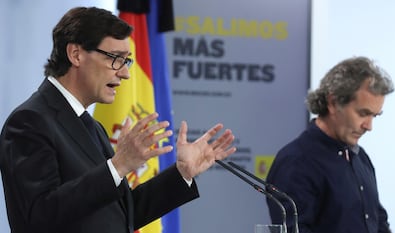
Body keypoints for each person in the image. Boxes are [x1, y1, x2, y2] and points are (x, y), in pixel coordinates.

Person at [0, 6, 236, 233]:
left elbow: (121, 214)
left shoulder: (92, 126)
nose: (124, 72)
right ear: (76, 54)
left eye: (127, 61)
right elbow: (40, 218)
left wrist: (182, 173)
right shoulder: (29, 121)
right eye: (115, 58)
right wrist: (118, 165)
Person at [266, 56, 394, 233]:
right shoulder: (295, 161)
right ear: (333, 103)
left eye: (375, 115)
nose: (369, 126)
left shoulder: (360, 157)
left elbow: (378, 221)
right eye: (363, 113)